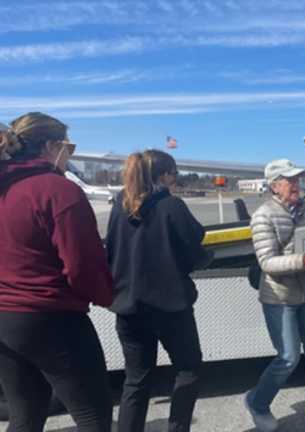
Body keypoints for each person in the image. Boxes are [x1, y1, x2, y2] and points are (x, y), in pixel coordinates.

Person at [0, 112, 114, 431]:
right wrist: (109, 296)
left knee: (26, 414)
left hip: (4, 318)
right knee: (93, 416)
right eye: (69, 147)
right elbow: (82, 266)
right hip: (51, 317)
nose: (69, 155)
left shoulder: (5, 186)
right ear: (50, 146)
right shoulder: (57, 190)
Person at [106, 150, 211, 432]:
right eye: (174, 174)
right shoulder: (171, 205)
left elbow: (112, 250)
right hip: (170, 306)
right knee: (188, 370)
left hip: (128, 306)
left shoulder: (120, 205)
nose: (175, 180)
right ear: (164, 175)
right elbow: (194, 245)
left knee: (136, 379)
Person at [245, 159, 305, 432]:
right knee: (288, 358)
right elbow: (267, 262)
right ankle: (257, 402)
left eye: (298, 180)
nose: (296, 185)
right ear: (275, 185)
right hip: (280, 298)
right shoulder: (263, 215)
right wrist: (304, 260)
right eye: (291, 180)